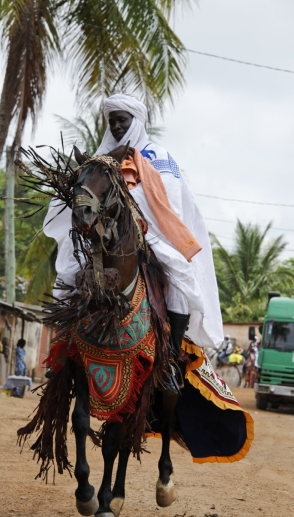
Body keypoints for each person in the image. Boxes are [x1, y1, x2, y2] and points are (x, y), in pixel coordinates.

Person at [44, 93, 223, 354]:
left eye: (122, 120)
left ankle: (171, 356)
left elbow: (168, 198)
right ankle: (63, 352)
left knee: (180, 280)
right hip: (101, 235)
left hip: (152, 235)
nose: (117, 126)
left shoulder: (158, 156)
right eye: (113, 121)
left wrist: (125, 198)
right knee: (69, 274)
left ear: (136, 121)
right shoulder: (99, 159)